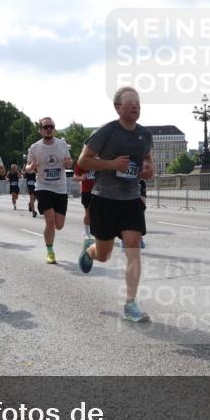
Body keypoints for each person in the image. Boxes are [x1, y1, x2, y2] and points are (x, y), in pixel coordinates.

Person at [77, 87, 155, 322]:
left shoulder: (144, 135)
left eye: (138, 103)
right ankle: (90, 250)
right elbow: (83, 161)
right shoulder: (107, 131)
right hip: (105, 199)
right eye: (130, 103)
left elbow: (148, 163)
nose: (135, 106)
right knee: (104, 254)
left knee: (133, 247)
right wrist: (111, 165)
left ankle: (131, 304)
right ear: (118, 107)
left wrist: (148, 170)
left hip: (131, 199)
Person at [26, 117, 72, 263]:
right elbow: (27, 167)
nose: (48, 129)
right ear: (40, 130)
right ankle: (50, 252)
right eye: (45, 127)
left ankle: (50, 247)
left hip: (60, 188)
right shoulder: (35, 147)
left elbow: (69, 162)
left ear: (54, 128)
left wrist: (68, 162)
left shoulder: (62, 144)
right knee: (50, 221)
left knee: (59, 224)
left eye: (51, 126)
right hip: (43, 187)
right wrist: (31, 167)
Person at [74, 163, 96, 240]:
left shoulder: (100, 160)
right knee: (88, 212)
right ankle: (87, 233)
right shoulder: (81, 162)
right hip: (87, 191)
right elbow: (75, 177)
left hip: (98, 190)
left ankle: (96, 231)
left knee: (98, 213)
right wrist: (81, 178)